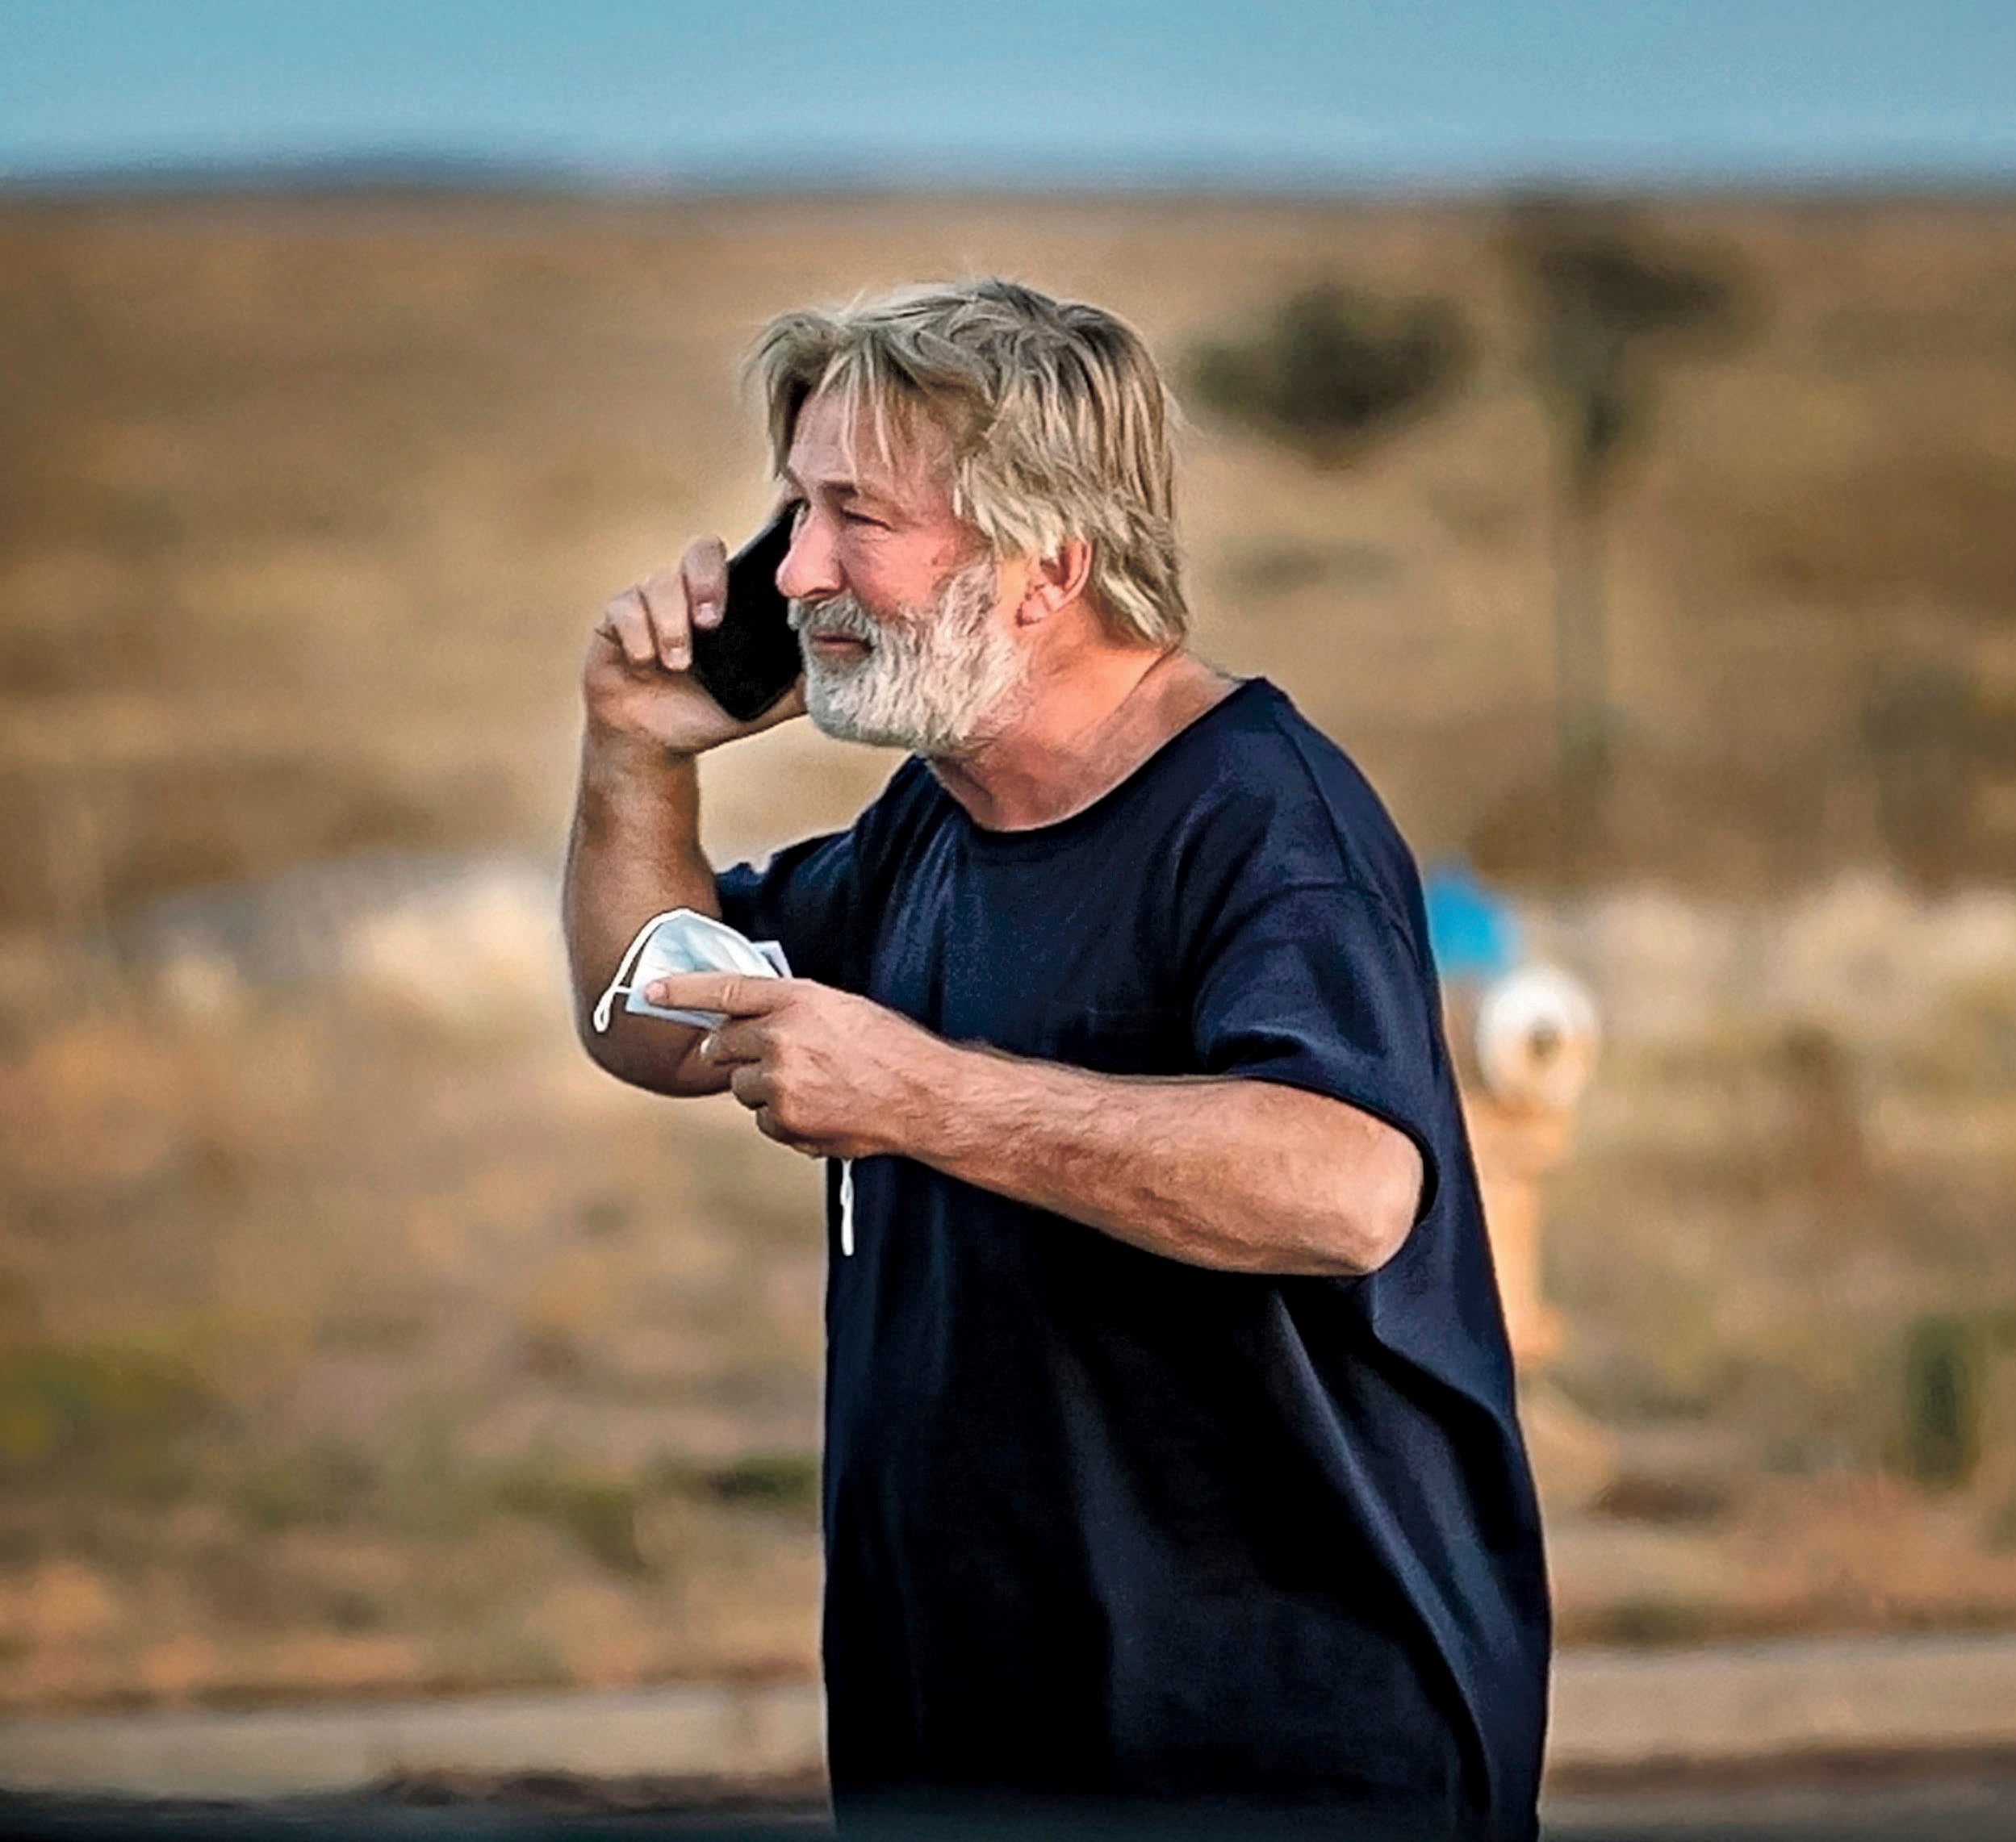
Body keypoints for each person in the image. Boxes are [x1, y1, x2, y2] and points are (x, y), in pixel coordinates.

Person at [562, 278, 1549, 1838]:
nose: (798, 569)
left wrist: (922, 1095)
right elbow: (652, 1015)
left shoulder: (1262, 822)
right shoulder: (933, 823)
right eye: (792, 513)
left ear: (1048, 566)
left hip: (1271, 1756)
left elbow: (1350, 1189)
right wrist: (634, 749)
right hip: (964, 1732)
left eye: (855, 518)